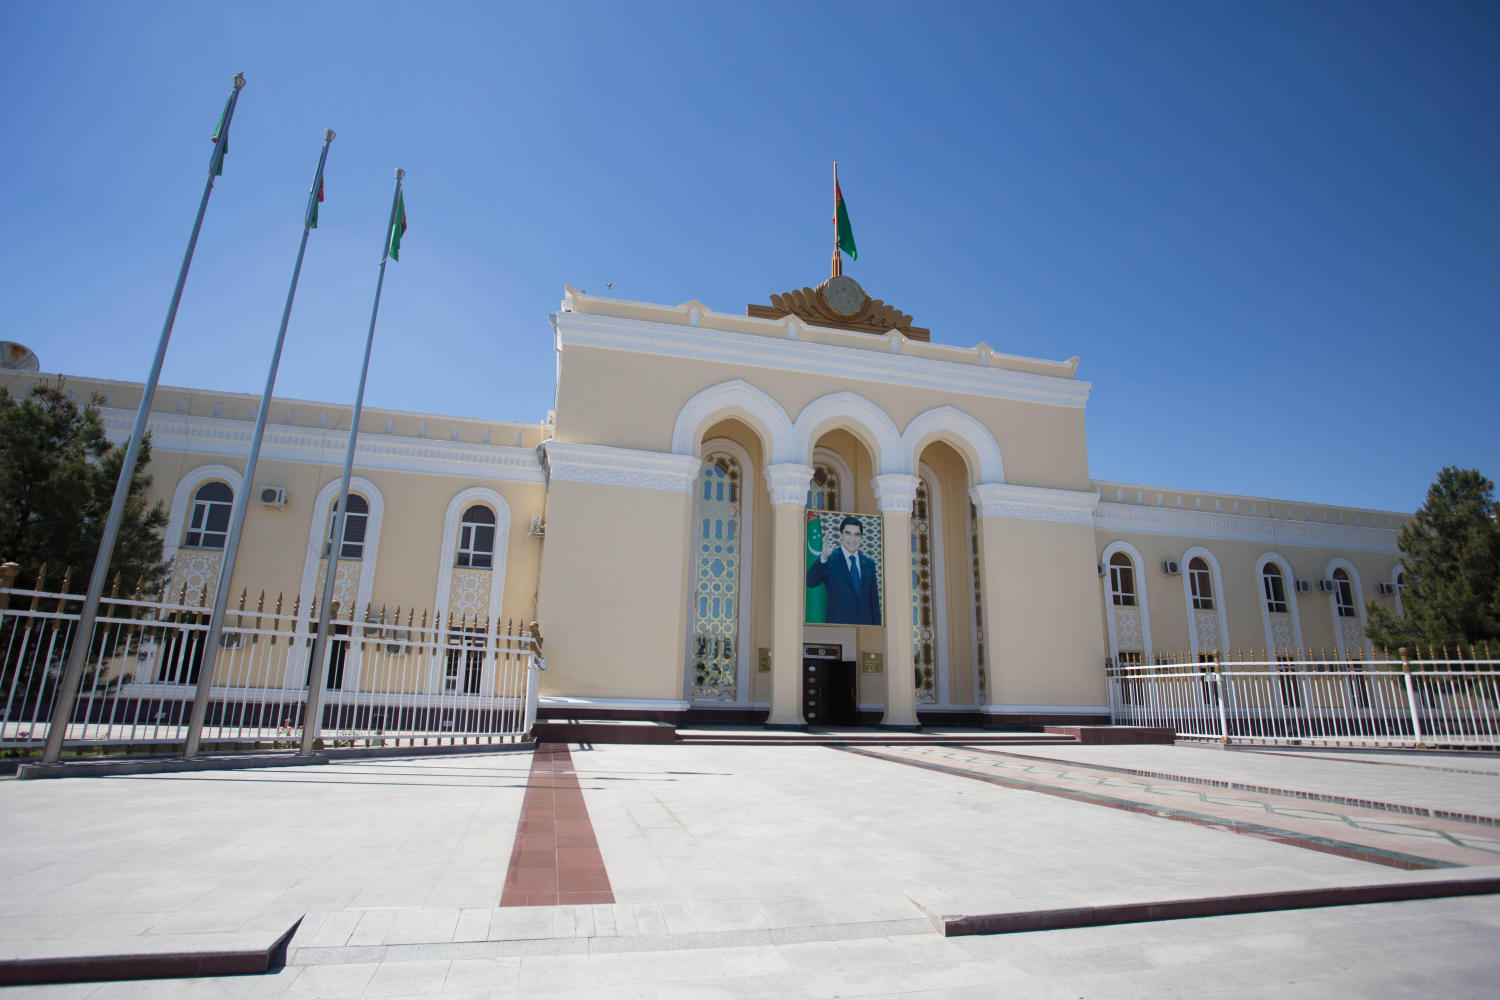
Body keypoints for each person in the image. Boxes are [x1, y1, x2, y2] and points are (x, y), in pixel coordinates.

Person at [805, 515, 881, 625]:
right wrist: (823, 558)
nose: (852, 539)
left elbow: (874, 604)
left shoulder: (869, 564)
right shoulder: (830, 559)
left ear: (861, 537)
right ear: (841, 535)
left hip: (865, 632)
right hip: (838, 631)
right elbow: (810, 581)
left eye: (856, 535)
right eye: (848, 533)